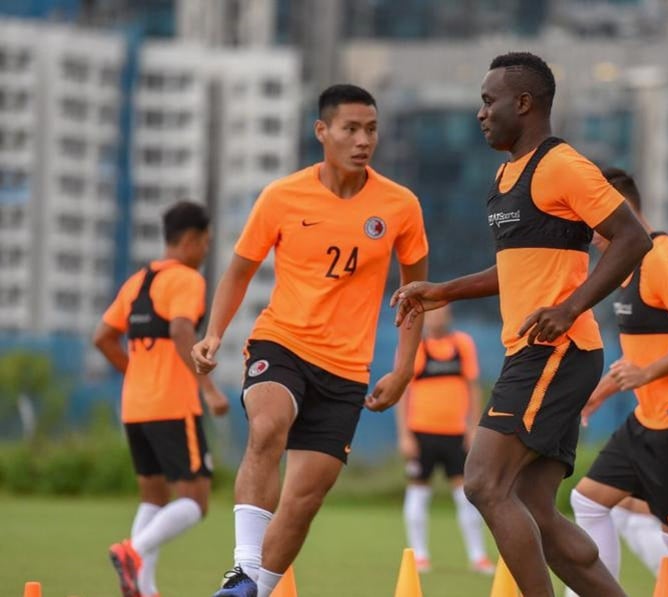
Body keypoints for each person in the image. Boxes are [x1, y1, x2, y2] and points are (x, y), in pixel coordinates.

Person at [391, 52, 651, 597]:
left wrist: (570, 307)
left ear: (524, 103)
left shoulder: (562, 165)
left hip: (555, 351)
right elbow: (514, 269)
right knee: (535, 510)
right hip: (535, 353)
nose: (481, 113)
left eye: (489, 101)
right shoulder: (506, 176)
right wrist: (444, 290)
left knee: (483, 483)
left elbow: (632, 237)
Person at [191, 84, 429, 597]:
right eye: (350, 128)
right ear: (322, 131)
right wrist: (214, 333)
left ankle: (252, 589)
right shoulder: (281, 196)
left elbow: (415, 297)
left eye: (371, 129)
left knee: (304, 497)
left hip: (346, 370)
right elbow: (237, 272)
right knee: (268, 426)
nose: (363, 139)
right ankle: (243, 566)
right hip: (281, 343)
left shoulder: (400, 206)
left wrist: (405, 368)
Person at [569, 167, 668, 597]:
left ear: (620, 211)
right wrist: (600, 394)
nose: (592, 237)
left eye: (595, 223)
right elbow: (646, 349)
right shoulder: (630, 268)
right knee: (588, 501)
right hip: (650, 418)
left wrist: (645, 374)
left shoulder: (665, 257)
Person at [95, 201, 230, 597]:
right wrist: (208, 388)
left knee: (154, 497)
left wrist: (135, 372)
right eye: (205, 243)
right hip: (173, 405)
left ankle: (143, 588)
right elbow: (182, 331)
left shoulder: (136, 282)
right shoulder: (186, 279)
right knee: (196, 501)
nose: (206, 251)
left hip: (135, 407)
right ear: (189, 241)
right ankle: (132, 551)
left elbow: (101, 337)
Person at [395, 304, 494, 574]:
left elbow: (473, 387)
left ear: (449, 315)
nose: (438, 316)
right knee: (418, 491)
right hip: (421, 433)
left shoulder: (462, 345)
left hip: (456, 434)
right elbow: (401, 392)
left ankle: (478, 557)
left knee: (466, 495)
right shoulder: (416, 347)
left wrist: (473, 428)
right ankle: (419, 556)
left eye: (442, 311)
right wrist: (405, 435)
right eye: (433, 312)